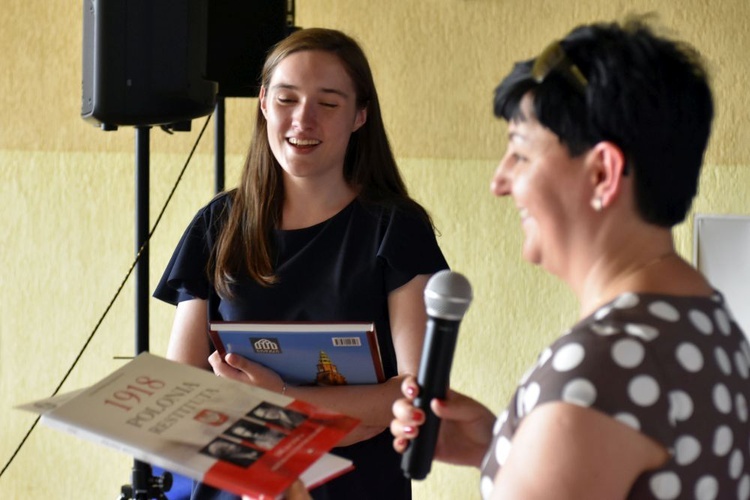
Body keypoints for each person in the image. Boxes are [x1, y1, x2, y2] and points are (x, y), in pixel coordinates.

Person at [390, 17, 750, 500]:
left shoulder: (604, 372)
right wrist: (501, 446)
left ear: (603, 173)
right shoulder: (708, 323)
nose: (500, 182)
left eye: (519, 153)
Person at [154, 27, 449, 500]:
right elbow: (181, 394)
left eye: (328, 104)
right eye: (288, 99)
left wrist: (281, 399)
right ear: (264, 103)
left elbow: (414, 397)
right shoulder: (217, 223)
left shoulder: (396, 227)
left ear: (360, 116)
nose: (303, 120)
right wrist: (346, 416)